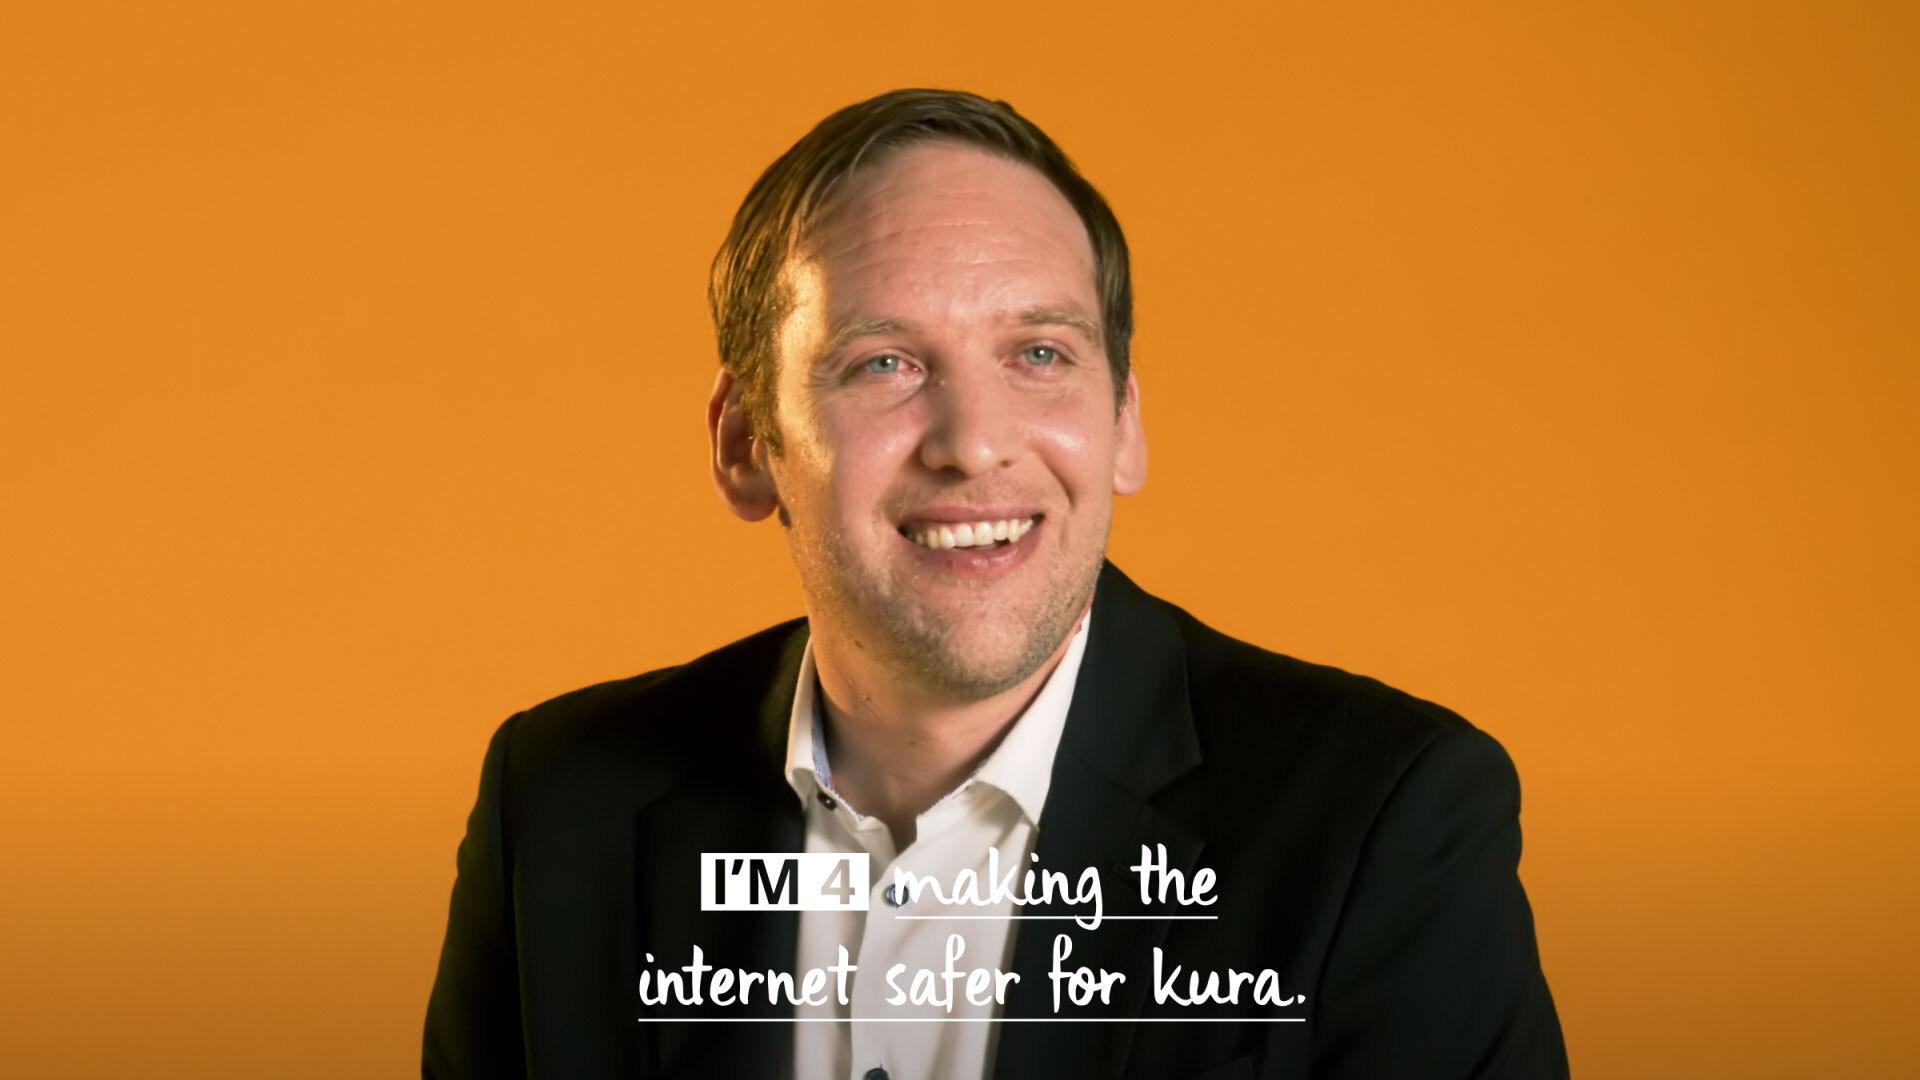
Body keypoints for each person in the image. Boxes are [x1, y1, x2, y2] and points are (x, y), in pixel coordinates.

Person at [423, 88, 1568, 1080]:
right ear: (746, 444)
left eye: (1040, 355)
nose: (973, 444)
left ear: (1123, 422)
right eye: (886, 363)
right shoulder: (559, 807)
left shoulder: (1386, 821)